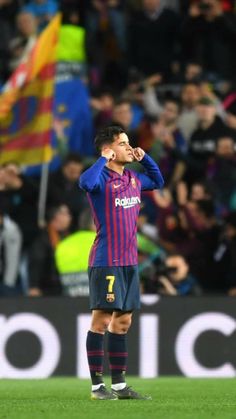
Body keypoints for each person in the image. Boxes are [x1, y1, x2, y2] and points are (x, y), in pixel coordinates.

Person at [79, 125, 164, 400]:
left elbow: (158, 181)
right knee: (102, 320)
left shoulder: (133, 179)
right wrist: (102, 159)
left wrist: (145, 158)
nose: (129, 147)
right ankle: (96, 387)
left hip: (129, 262)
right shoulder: (100, 178)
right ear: (110, 149)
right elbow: (85, 183)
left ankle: (119, 386)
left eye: (129, 143)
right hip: (107, 260)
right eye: (124, 143)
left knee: (123, 322)